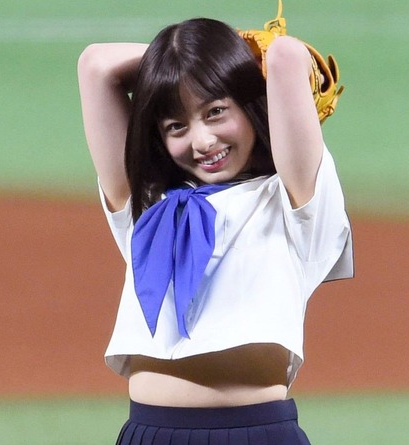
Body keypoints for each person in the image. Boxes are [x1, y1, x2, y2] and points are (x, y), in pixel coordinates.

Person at [77, 9, 353, 445]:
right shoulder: (147, 207)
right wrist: (187, 63)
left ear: (250, 105)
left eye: (217, 111)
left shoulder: (294, 203)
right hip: (148, 435)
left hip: (256, 435)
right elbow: (96, 66)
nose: (202, 141)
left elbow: (284, 57)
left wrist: (219, 58)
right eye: (176, 126)